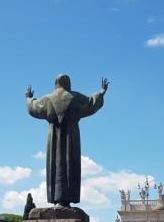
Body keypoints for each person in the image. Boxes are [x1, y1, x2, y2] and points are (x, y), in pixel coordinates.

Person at [26, 74, 108, 207]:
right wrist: (101, 92)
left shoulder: (47, 99)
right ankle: (67, 200)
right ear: (69, 83)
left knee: (55, 165)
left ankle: (57, 200)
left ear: (55, 83)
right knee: (71, 165)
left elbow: (34, 108)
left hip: (53, 137)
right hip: (72, 137)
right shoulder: (75, 98)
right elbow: (91, 103)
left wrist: (29, 99)